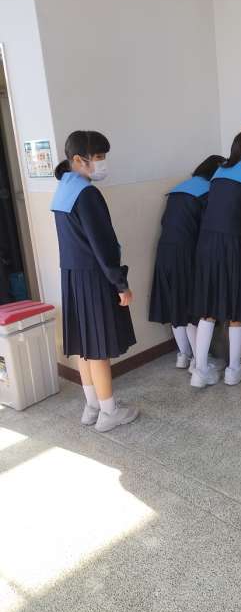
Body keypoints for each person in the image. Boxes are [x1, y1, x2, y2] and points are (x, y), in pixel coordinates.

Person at [51, 130, 139, 433]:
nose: (103, 162)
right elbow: (103, 245)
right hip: (93, 276)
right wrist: (120, 283)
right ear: (79, 159)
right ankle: (110, 412)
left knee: (84, 346)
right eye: (98, 156)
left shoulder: (63, 188)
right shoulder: (87, 194)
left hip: (71, 275)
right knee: (98, 347)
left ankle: (92, 406)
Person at [192, 125, 241, 389]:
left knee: (208, 308)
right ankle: (234, 370)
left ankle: (199, 371)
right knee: (237, 306)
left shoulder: (219, 171)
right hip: (234, 243)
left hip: (206, 243)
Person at [149, 155, 225, 371]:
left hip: (165, 250)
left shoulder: (179, 190)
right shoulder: (207, 192)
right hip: (187, 252)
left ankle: (183, 355)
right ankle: (199, 362)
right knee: (192, 310)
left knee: (176, 305)